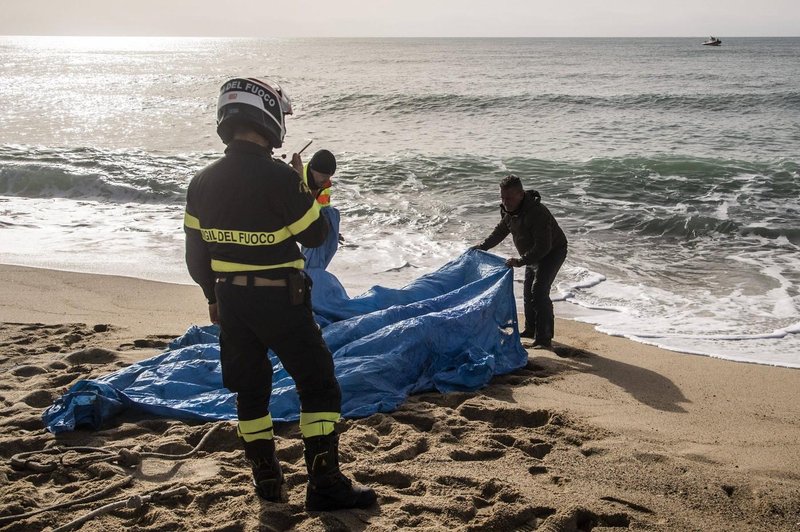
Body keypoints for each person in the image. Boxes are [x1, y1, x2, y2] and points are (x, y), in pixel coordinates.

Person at [184, 77, 376, 511]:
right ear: (267, 117)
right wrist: (301, 186)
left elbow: (196, 255)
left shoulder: (201, 183)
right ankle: (324, 484)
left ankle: (267, 481)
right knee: (318, 385)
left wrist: (211, 299)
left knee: (250, 392)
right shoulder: (279, 178)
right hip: (281, 300)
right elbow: (315, 234)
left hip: (230, 302)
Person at [472, 175, 568, 349]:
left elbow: (544, 246)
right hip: (531, 254)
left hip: (552, 253)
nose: (505, 202)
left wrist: (521, 261)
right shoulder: (509, 211)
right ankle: (531, 330)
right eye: (502, 197)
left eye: (508, 198)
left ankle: (544, 339)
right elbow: (501, 231)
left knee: (538, 291)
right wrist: (483, 246)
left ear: (521, 194)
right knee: (527, 293)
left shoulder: (537, 213)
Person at [291, 149, 341, 270]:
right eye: (323, 176)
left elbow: (324, 211)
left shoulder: (324, 184)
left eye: (329, 177)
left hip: (314, 223)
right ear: (312, 170)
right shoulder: (296, 180)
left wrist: (333, 230)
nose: (326, 181)